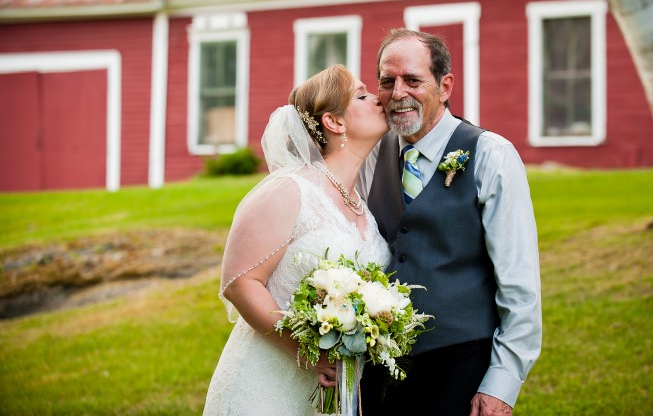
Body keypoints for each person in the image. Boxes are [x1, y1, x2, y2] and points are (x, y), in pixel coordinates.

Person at [358, 28, 542, 416]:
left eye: (412, 80)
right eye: (387, 81)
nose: (398, 92)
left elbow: (520, 283)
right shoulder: (371, 154)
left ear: (445, 86)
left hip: (462, 362)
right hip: (381, 364)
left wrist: (502, 384)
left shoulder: (491, 155)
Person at [203, 64, 391, 415]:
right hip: (267, 385)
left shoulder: (363, 207)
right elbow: (239, 282)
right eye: (362, 95)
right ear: (334, 122)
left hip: (337, 391)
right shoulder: (290, 190)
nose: (378, 99)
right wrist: (305, 351)